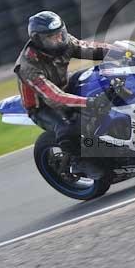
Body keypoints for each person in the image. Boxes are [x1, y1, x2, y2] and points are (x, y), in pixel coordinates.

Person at [14, 10, 114, 161]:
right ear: (38, 40)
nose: (59, 39)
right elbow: (54, 97)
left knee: (100, 76)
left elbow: (91, 49)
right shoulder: (28, 66)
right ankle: (83, 162)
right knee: (69, 128)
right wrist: (89, 102)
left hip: (65, 84)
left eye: (60, 33)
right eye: (51, 37)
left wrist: (123, 52)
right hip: (43, 106)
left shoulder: (64, 42)